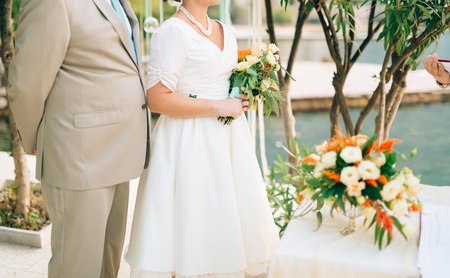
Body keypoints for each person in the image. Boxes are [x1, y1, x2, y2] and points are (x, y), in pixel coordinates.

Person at [124, 0, 280, 276]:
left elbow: (224, 83)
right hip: (189, 141)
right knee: (194, 214)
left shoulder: (226, 30)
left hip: (229, 140)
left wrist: (241, 96)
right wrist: (219, 106)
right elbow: (157, 99)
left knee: (224, 220)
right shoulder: (172, 32)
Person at [7, 0, 149, 277]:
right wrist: (38, 138)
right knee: (77, 267)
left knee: (108, 261)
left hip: (119, 150)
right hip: (78, 155)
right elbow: (26, 82)